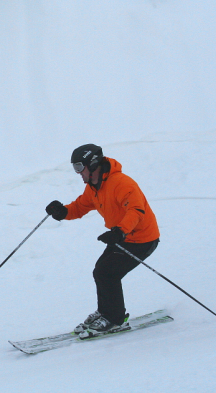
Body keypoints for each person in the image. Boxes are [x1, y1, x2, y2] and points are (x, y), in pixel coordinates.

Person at [45, 144, 160, 337]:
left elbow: (136, 211)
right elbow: (80, 207)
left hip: (142, 238)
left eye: (80, 167)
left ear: (93, 163)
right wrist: (62, 212)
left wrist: (120, 231)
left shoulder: (122, 183)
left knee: (107, 273)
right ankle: (106, 312)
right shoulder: (94, 188)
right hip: (123, 237)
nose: (78, 173)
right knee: (102, 271)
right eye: (75, 168)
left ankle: (115, 319)